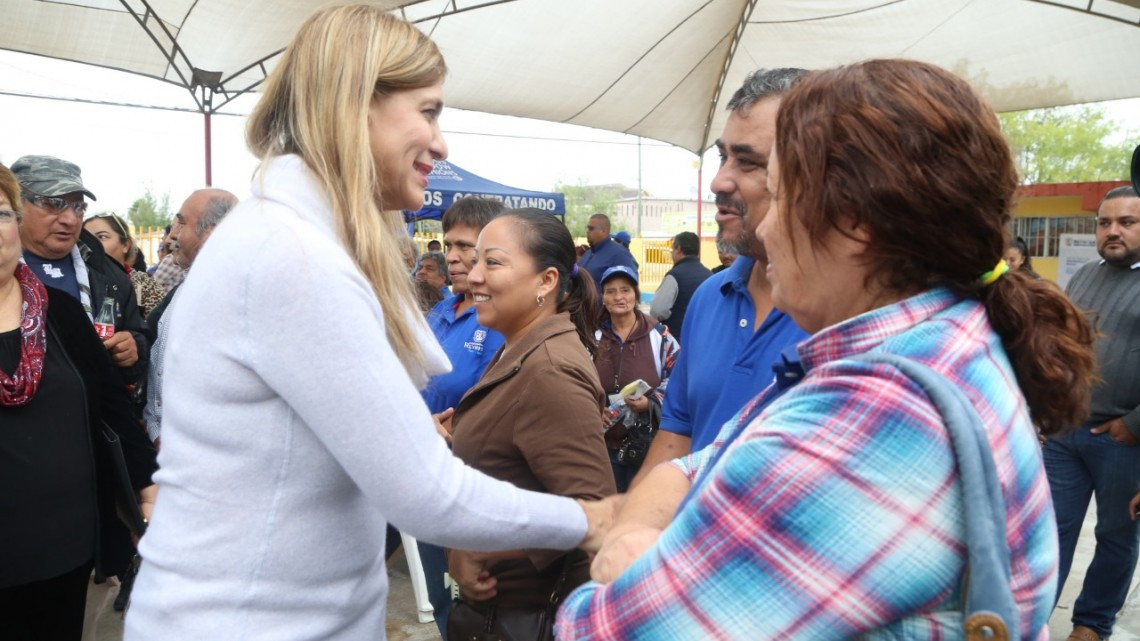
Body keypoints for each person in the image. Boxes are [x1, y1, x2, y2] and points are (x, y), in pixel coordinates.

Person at [557, 59, 1097, 640]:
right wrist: (643, 542)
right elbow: (691, 465)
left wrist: (616, 567)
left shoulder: (880, 409)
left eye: (783, 196)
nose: (764, 229)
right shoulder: (921, 344)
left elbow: (606, 630)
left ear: (855, 222)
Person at [125, 7, 611, 640]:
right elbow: (427, 495)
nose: (442, 144)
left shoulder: (286, 240)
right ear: (355, 103)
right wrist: (594, 518)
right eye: (429, 112)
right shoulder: (293, 259)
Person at [0, 162, 158, 640]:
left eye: (0, 213)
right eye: (52, 204)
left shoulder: (62, 312)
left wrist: (147, 495)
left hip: (65, 559)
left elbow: (111, 410)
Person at [630, 68, 809, 488]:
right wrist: (629, 526)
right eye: (722, 156)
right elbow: (678, 431)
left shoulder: (850, 313)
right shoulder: (712, 296)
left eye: (748, 162)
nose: (718, 181)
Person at [443, 208, 615, 638]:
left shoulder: (550, 370)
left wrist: (484, 551)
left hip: (524, 618)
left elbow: (592, 515)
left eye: (492, 262)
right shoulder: (519, 349)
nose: (473, 274)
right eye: (474, 259)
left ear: (546, 281)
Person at [1044, 185, 1140, 641]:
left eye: (1127, 222)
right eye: (1105, 223)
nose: (1113, 231)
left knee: (1116, 537)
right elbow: (1062, 348)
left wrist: (1134, 425)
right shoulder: (1083, 276)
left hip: (1124, 440)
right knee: (1050, 531)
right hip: (1066, 433)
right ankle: (1033, 616)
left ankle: (1091, 625)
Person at [416, 196, 506, 639]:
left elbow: (492, 401)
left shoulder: (500, 317)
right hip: (426, 472)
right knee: (440, 598)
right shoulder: (440, 311)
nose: (451, 255)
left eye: (464, 245)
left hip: (471, 480)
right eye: (448, 244)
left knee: (473, 605)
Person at [11, 155, 151, 387]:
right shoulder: (5, 270)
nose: (70, 219)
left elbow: (138, 338)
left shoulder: (107, 274)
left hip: (91, 417)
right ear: (17, 204)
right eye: (54, 203)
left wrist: (134, 347)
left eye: (78, 207)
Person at [144, 189, 238, 446]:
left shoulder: (237, 299)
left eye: (182, 223)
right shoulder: (182, 290)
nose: (172, 234)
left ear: (211, 234)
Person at [594, 265, 678, 491]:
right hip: (601, 447)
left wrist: (651, 402)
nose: (619, 297)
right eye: (610, 291)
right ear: (603, 298)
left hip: (647, 446)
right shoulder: (591, 337)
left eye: (626, 290)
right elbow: (574, 382)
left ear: (636, 295)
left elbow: (678, 377)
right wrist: (593, 409)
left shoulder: (660, 336)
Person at [84, 212, 166, 317]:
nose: (92, 244)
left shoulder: (145, 286)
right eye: (86, 238)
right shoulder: (77, 282)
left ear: (126, 245)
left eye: (102, 236)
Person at [649, 230, 711, 339]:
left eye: (672, 249)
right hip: (705, 338)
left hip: (678, 340)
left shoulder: (674, 276)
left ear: (679, 249)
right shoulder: (709, 275)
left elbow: (657, 311)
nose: (671, 252)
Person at [576, 213, 636, 285]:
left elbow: (630, 285)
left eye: (591, 228)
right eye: (587, 228)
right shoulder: (588, 253)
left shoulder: (620, 255)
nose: (587, 231)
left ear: (604, 230)